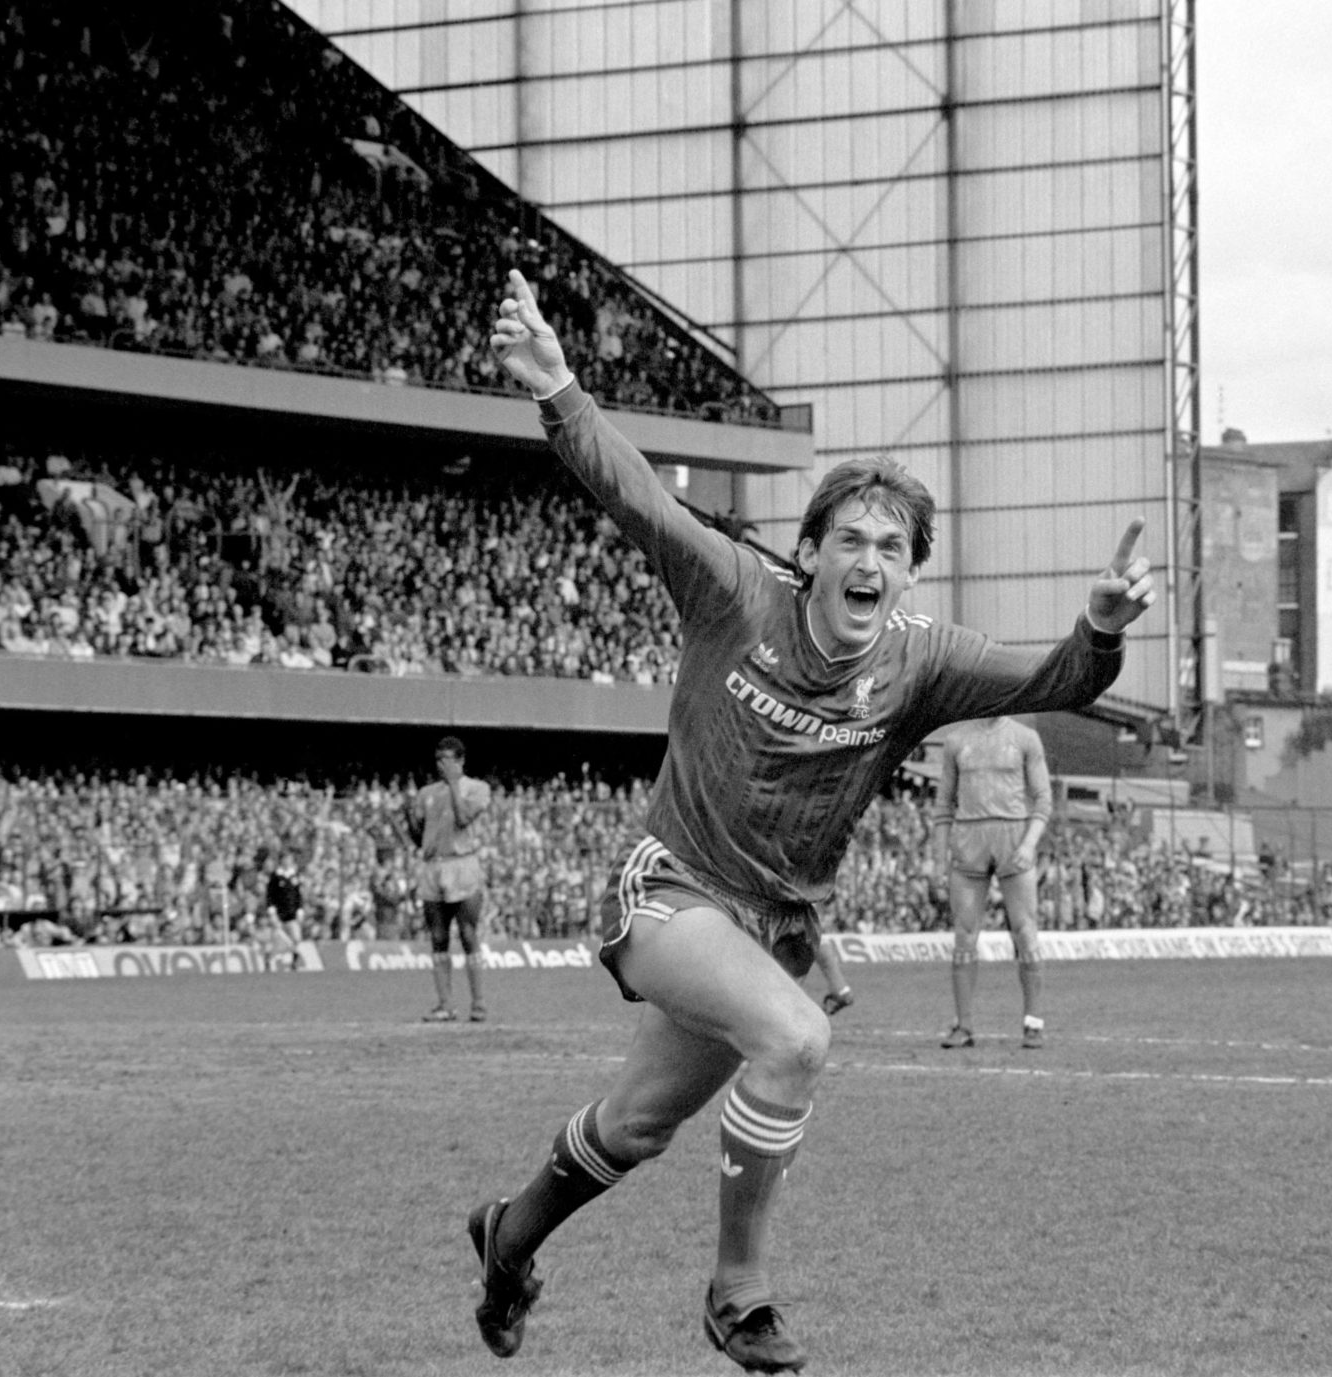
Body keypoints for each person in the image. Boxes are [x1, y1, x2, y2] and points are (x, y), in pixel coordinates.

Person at [466, 267, 1154, 1372]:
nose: (868, 561)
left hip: (770, 924)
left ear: (909, 573)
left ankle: (508, 1236)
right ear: (811, 551)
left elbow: (1062, 678)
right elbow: (635, 495)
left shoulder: (921, 660)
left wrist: (1101, 626)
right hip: (670, 892)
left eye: (891, 547)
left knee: (635, 1126)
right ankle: (738, 1293)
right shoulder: (735, 594)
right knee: (794, 1038)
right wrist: (557, 389)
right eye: (850, 539)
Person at [931, 715, 1053, 1048]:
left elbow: (1043, 799)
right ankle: (964, 1025)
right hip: (969, 840)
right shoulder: (956, 741)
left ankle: (1033, 1023)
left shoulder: (1025, 738)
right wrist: (938, 859)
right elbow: (943, 804)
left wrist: (1029, 844)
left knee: (1025, 931)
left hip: (1013, 836)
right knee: (964, 934)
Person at [408, 736, 492, 1023]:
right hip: (433, 866)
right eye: (438, 760)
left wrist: (455, 784)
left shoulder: (478, 789)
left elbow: (464, 819)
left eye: (447, 759)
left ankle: (478, 1003)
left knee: (468, 934)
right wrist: (408, 822)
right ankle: (445, 1004)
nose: (441, 765)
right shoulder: (426, 793)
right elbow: (419, 836)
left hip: (463, 864)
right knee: (438, 937)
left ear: (460, 760)